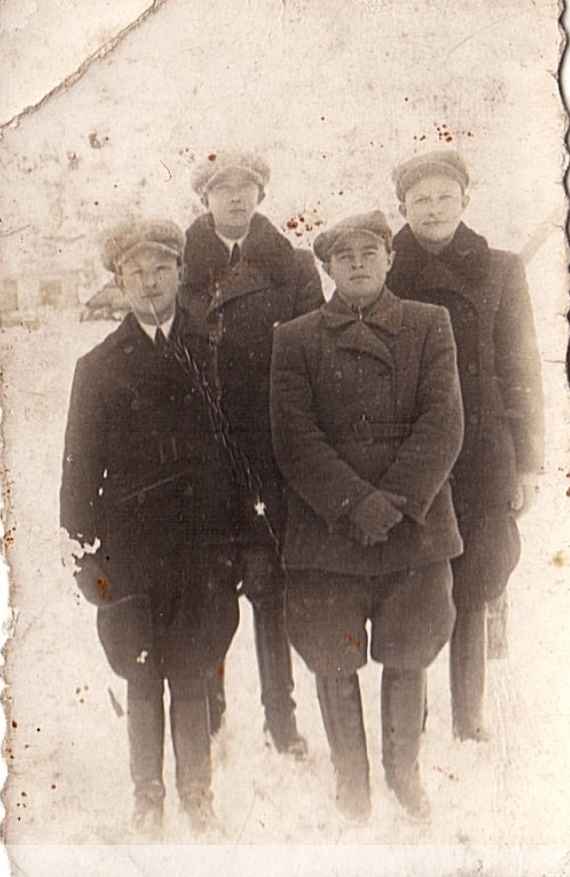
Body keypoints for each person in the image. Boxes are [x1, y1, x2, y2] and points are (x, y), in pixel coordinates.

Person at [270, 209, 463, 821]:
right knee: (333, 655)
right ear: (327, 268)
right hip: (328, 530)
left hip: (414, 526)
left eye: (369, 253)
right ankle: (351, 781)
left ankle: (404, 774)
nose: (357, 264)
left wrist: (395, 501)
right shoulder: (294, 338)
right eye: (344, 256)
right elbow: (293, 437)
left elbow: (444, 423)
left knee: (409, 650)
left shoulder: (430, 324)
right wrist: (355, 504)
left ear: (390, 259)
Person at [60, 220, 240, 838]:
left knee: (191, 670)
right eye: (134, 271)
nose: (149, 281)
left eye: (161, 267)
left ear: (180, 273)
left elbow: (239, 453)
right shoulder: (97, 367)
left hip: (201, 547)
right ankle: (147, 795)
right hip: (131, 552)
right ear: (118, 283)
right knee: (140, 675)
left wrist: (242, 544)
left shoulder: (212, 349)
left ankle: (198, 793)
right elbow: (79, 470)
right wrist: (84, 555)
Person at [388, 150, 544, 741]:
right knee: (417, 581)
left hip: (483, 451)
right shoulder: (382, 271)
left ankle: (469, 717)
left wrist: (527, 463)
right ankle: (415, 714)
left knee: (477, 577)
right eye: (420, 200)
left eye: (444, 198)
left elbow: (521, 368)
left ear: (465, 201)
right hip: (411, 451)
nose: (433, 209)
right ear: (403, 207)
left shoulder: (501, 269)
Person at [179, 150, 323, 757]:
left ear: (261, 195)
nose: (236, 197)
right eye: (223, 188)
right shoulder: (180, 267)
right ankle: (211, 711)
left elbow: (313, 358)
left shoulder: (293, 267)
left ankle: (280, 718)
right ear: (205, 198)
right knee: (211, 588)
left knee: (269, 588)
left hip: (268, 456)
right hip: (204, 458)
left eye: (247, 187)